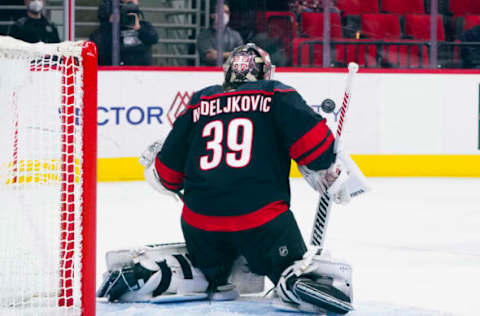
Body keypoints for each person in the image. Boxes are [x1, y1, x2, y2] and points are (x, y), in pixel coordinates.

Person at [97, 43, 353, 314]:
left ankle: (164, 273)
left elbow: (167, 178)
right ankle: (294, 280)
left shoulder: (199, 100)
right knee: (291, 266)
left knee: (208, 270)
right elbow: (320, 154)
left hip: (201, 227)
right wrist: (330, 168)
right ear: (265, 72)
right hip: (263, 224)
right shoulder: (277, 93)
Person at [89, 0, 159, 66]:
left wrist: (139, 28)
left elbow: (154, 38)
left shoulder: (144, 26)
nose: (128, 17)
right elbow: (99, 48)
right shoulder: (105, 32)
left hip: (141, 73)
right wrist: (111, 25)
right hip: (115, 72)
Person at [196, 1, 243, 66]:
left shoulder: (235, 35)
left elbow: (241, 55)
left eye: (227, 12)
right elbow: (211, 56)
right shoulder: (204, 35)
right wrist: (232, 54)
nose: (224, 15)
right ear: (212, 15)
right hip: (209, 73)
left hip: (229, 73)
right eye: (221, 12)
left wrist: (219, 54)